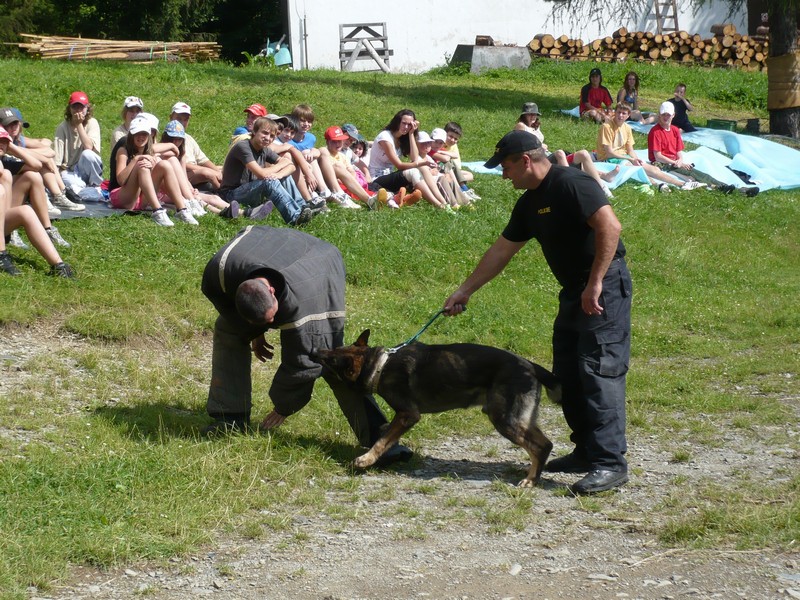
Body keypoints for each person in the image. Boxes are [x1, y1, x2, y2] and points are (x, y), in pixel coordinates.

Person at [443, 130, 631, 495]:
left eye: (507, 167)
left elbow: (610, 226)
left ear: (526, 161)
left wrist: (595, 283)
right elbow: (501, 251)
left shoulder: (571, 183)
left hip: (603, 286)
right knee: (568, 372)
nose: (503, 175)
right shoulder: (530, 203)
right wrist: (464, 291)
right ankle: (586, 450)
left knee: (598, 370)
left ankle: (609, 463)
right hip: (574, 291)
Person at [200, 225, 414, 465]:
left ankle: (381, 439)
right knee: (227, 330)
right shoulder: (218, 275)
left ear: (272, 291)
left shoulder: (304, 300)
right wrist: (254, 330)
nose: (271, 325)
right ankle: (230, 417)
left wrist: (284, 406)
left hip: (319, 266)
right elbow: (232, 313)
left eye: (272, 319)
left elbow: (303, 363)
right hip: (274, 250)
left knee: (332, 360)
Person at [1, 126, 74, 277]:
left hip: (3, 219)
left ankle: (58, 265)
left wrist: (12, 147)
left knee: (31, 183)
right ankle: (1, 254)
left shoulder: (5, 158)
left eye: (4, 141)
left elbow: (36, 165)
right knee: (5, 177)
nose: (1, 144)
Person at [219, 116, 320, 225]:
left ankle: (303, 208)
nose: (268, 138)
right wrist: (280, 167)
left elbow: (291, 166)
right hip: (232, 194)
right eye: (265, 133)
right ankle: (294, 218)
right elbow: (261, 174)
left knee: (283, 176)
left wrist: (280, 174)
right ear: (254, 131)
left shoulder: (264, 149)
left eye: (272, 136)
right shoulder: (243, 147)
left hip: (251, 189)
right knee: (269, 181)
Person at [647, 102, 759, 196]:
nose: (666, 117)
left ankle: (733, 188)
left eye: (668, 115)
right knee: (697, 176)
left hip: (674, 162)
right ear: (659, 115)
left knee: (702, 174)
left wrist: (680, 160)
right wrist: (677, 163)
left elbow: (678, 151)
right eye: (663, 115)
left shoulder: (675, 130)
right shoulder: (655, 132)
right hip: (663, 164)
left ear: (673, 115)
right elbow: (658, 156)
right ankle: (728, 188)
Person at [107, 115, 197, 226]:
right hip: (124, 198)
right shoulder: (123, 150)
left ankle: (182, 209)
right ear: (131, 135)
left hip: (142, 198)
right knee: (142, 165)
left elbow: (173, 153)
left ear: (149, 135)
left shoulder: (149, 150)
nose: (141, 137)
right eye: (137, 134)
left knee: (164, 164)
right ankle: (157, 211)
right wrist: (136, 159)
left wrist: (155, 157)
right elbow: (121, 180)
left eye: (144, 134)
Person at [596, 103, 704, 192]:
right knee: (635, 168)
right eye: (618, 112)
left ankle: (683, 184)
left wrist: (636, 159)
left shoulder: (627, 128)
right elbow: (609, 152)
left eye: (623, 113)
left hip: (624, 156)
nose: (620, 116)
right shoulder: (607, 127)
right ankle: (659, 184)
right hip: (609, 158)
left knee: (652, 169)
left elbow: (630, 150)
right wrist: (630, 159)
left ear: (628, 115)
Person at [54, 91, 104, 201]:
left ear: (87, 108)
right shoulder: (62, 127)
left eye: (81, 107)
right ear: (70, 109)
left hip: (87, 168)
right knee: (73, 186)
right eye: (75, 107)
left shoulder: (92, 123)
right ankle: (84, 191)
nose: (78, 110)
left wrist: (79, 124)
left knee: (88, 154)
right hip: (70, 171)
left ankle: (95, 186)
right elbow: (57, 161)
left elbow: (89, 148)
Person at [168, 102, 223, 191]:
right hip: (182, 174)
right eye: (178, 119)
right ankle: (224, 193)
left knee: (222, 168)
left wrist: (217, 170)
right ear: (171, 118)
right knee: (206, 173)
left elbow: (203, 159)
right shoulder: (170, 138)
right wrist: (211, 171)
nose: (182, 122)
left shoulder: (188, 138)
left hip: (195, 170)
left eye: (185, 120)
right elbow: (182, 164)